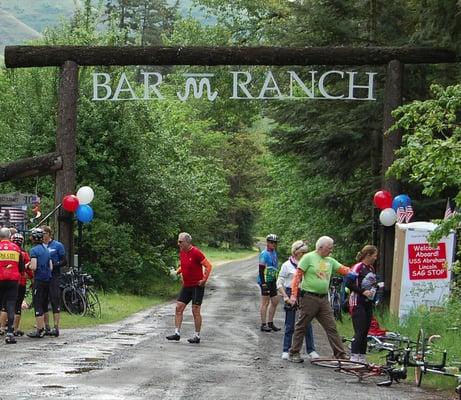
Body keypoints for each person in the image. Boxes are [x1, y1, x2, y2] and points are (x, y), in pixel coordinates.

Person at [288, 236, 356, 362]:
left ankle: (340, 354)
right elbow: (297, 276)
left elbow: (343, 269)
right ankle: (294, 352)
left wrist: (354, 272)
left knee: (331, 326)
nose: (331, 251)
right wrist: (293, 294)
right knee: (302, 325)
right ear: (321, 248)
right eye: (329, 248)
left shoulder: (330, 260)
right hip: (309, 297)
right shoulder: (308, 257)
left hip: (323, 299)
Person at [166, 232, 213, 344]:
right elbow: (183, 265)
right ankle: (177, 333)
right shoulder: (182, 251)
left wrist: (204, 280)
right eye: (178, 241)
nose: (178, 243)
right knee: (178, 307)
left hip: (197, 286)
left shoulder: (196, 252)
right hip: (186, 285)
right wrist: (176, 272)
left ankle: (196, 336)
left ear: (187, 242)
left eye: (180, 241)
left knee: (195, 311)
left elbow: (208, 266)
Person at [277, 240, 319, 360]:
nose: (304, 255)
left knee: (307, 322)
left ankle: (311, 350)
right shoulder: (286, 265)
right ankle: (286, 349)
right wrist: (285, 296)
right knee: (290, 323)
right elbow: (279, 282)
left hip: (305, 293)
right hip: (290, 293)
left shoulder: (308, 264)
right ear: (295, 252)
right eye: (302, 252)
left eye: (306, 252)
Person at [345, 245, 379, 363]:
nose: (376, 258)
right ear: (368, 255)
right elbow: (349, 283)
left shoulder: (371, 268)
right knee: (359, 330)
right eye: (374, 255)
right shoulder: (358, 267)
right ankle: (354, 355)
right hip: (357, 301)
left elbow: (372, 283)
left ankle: (362, 356)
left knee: (365, 330)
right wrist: (363, 291)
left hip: (367, 302)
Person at [41, 225, 67, 337]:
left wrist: (54, 265)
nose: (41, 236)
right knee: (43, 301)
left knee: (54, 300)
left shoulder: (57, 245)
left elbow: (64, 261)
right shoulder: (39, 245)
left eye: (43, 233)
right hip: (42, 277)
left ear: (48, 234)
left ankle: (56, 326)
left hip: (54, 276)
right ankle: (46, 326)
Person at [27, 228, 53, 339]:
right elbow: (51, 267)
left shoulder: (34, 250)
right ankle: (46, 327)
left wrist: (27, 265)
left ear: (34, 238)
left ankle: (39, 329)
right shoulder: (46, 250)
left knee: (37, 303)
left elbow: (33, 266)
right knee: (44, 304)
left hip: (39, 279)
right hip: (47, 279)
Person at [0, 227, 23, 344]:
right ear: (9, 236)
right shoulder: (16, 248)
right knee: (10, 305)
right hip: (13, 280)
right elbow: (21, 267)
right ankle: (10, 333)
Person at [10, 233, 33, 336]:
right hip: (22, 281)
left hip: (9, 280)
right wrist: (32, 278)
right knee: (18, 305)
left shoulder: (9, 251)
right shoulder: (25, 254)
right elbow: (29, 269)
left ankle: (5, 327)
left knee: (6, 304)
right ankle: (15, 329)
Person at [258, 233, 280, 332]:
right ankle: (263, 324)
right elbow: (261, 270)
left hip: (273, 279)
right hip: (266, 280)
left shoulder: (274, 253)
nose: (273, 244)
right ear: (267, 242)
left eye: (275, 243)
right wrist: (263, 283)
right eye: (271, 242)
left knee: (275, 301)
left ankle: (270, 323)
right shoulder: (264, 254)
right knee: (265, 302)